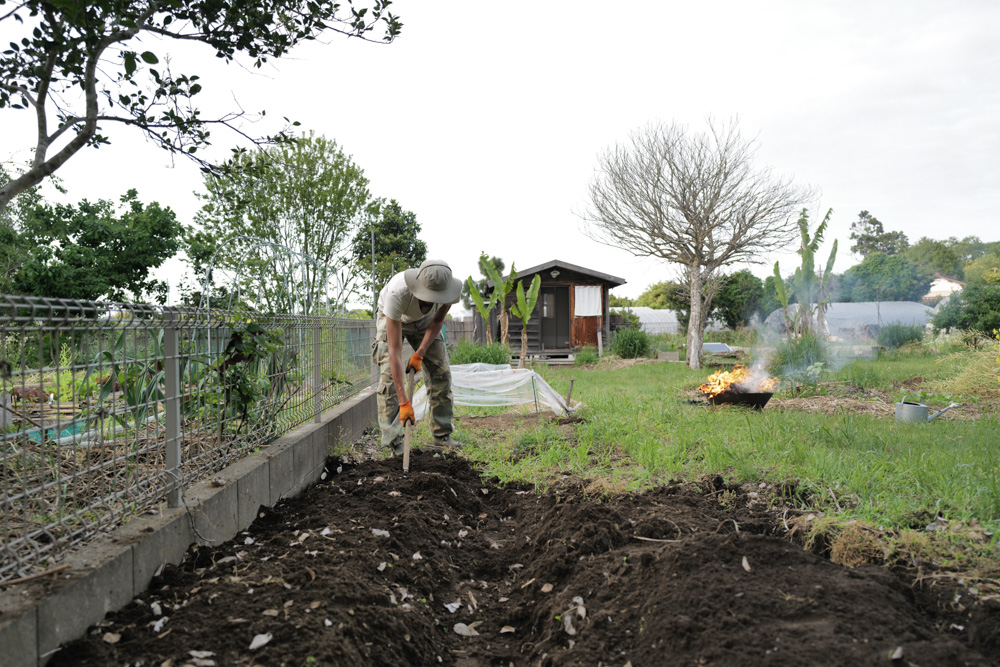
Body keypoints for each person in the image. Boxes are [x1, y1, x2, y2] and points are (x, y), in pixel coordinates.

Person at [371, 258, 463, 454]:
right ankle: (395, 441)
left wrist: (420, 352)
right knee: (388, 377)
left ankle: (442, 434)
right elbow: (395, 351)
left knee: (441, 372)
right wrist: (405, 402)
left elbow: (437, 320)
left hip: (425, 321)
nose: (432, 299)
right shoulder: (397, 293)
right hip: (393, 317)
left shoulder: (450, 291)